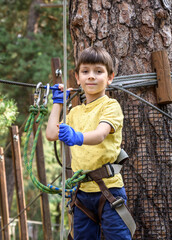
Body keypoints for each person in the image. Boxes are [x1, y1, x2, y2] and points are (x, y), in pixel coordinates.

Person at [46, 46, 133, 240]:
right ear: (77, 78)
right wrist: (58, 104)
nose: (91, 76)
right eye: (85, 72)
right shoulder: (75, 112)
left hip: (109, 190)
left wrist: (77, 137)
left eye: (98, 71)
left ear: (110, 77)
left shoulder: (110, 106)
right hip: (82, 193)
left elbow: (101, 134)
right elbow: (51, 133)